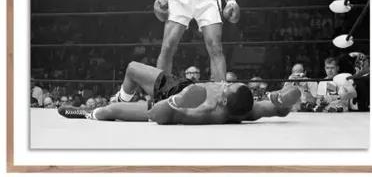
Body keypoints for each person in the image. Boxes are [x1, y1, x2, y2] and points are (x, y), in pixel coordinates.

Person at [58, 61, 300, 125]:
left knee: (110, 111)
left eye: (226, 88)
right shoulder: (250, 108)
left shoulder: (203, 112)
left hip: (172, 102)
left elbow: (156, 115)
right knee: (132, 68)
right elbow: (276, 109)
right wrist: (283, 99)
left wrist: (177, 101)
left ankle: (88, 113)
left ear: (224, 100)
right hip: (181, 86)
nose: (223, 84)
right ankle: (120, 96)